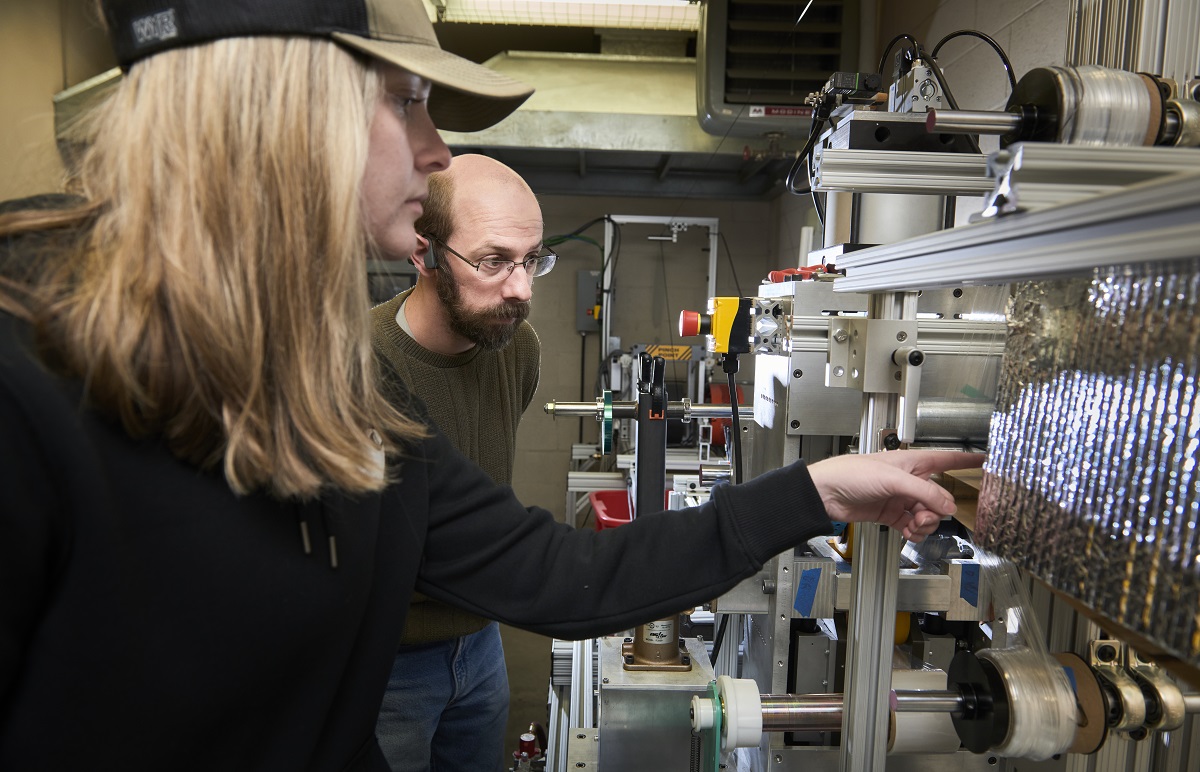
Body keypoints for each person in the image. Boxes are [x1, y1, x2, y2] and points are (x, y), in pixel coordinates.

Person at [0, 1, 983, 769]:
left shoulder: (332, 406)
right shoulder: (27, 377)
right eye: (405, 100)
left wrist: (815, 492)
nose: (434, 156)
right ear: (280, 104)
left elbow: (564, 574)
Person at [371, 155, 546, 771]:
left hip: (481, 645)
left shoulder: (513, 345)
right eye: (494, 261)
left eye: (532, 261)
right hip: (387, 665)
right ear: (424, 254)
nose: (520, 289)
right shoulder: (361, 366)